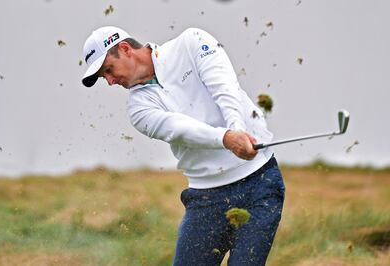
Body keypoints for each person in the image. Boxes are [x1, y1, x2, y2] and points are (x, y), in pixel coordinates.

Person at [81, 26, 285, 266]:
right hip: (206, 199)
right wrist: (227, 138)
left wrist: (237, 128)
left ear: (125, 49)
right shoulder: (138, 108)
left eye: (108, 70)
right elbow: (182, 129)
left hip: (260, 184)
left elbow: (225, 88)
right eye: (105, 78)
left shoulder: (191, 42)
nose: (111, 81)